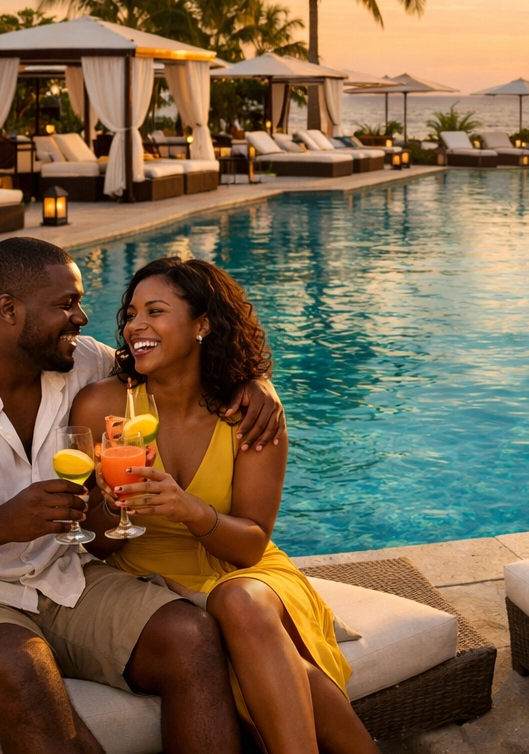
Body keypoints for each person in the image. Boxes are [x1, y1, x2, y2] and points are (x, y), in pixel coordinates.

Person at [0, 237, 285, 752]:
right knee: (20, 667)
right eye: (66, 304)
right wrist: (0, 524)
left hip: (59, 580)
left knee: (191, 637)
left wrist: (255, 384)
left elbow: (181, 359)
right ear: (9, 309)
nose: (82, 317)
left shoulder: (83, 364)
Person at [71, 257, 378, 754]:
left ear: (203, 324)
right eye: (130, 314)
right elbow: (96, 543)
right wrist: (110, 507)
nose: (135, 326)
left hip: (246, 574)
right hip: (145, 580)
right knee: (258, 651)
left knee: (237, 602)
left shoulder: (248, 414)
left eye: (155, 311)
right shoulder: (102, 406)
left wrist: (187, 509)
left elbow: (252, 545)